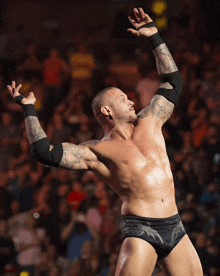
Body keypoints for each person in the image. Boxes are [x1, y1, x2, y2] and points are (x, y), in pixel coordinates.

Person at [7, 7, 203, 276]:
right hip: (141, 230)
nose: (131, 99)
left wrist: (155, 37)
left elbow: (173, 81)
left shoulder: (150, 120)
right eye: (123, 98)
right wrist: (29, 109)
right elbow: (45, 152)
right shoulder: (98, 150)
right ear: (107, 111)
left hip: (175, 225)